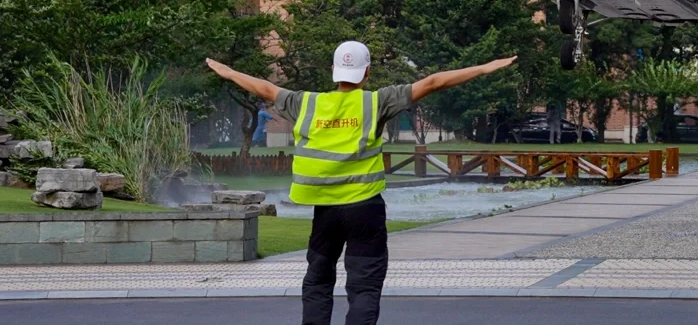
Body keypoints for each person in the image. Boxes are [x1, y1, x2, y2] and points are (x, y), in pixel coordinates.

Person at [206, 42, 515, 325]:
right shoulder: (376, 102)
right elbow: (433, 82)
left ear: (333, 71)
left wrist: (230, 72)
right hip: (364, 209)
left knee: (317, 280)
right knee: (364, 285)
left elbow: (264, 87)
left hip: (325, 211)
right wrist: (484, 67)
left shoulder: (305, 104)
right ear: (367, 72)